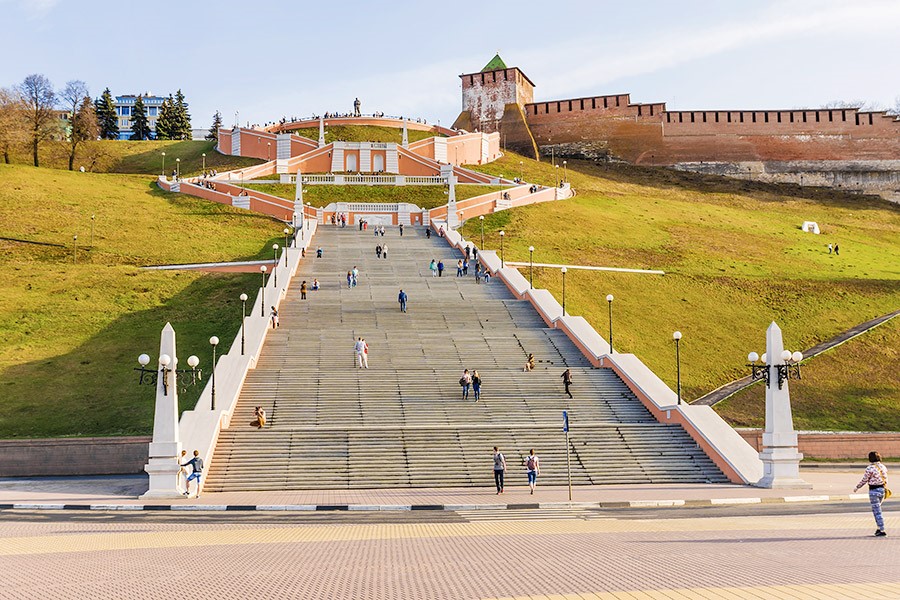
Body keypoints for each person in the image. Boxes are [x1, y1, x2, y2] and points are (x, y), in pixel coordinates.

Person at [853, 451, 889, 536]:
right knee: (878, 509)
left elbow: (865, 479)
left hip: (873, 491)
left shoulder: (870, 468)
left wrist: (857, 487)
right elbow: (886, 478)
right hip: (882, 490)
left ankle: (882, 529)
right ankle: (878, 528)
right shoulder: (883, 467)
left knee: (877, 511)